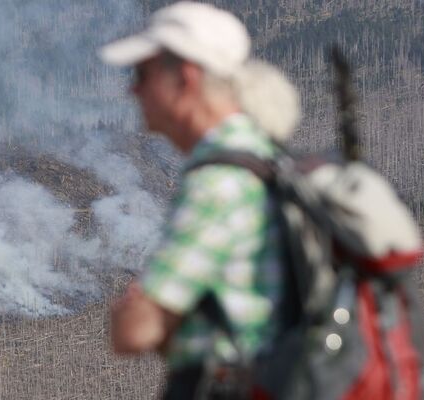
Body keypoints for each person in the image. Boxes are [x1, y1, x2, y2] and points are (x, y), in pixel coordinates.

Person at [99, 2, 300, 397]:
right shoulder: (266, 159)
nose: (132, 88)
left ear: (186, 78)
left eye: (142, 73)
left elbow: (134, 332)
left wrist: (135, 312)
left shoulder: (219, 182)